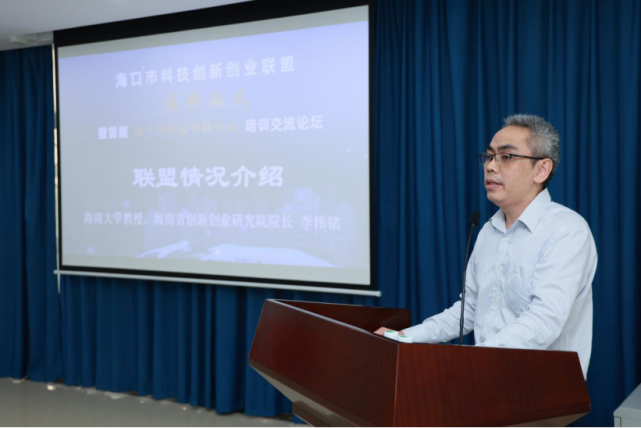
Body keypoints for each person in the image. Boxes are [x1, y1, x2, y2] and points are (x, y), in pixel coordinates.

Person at [375, 114, 597, 378]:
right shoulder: (488, 231)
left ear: (541, 170)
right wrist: (404, 337)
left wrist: (471, 359)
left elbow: (543, 322)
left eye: (506, 157)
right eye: (490, 156)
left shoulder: (566, 230)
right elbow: (468, 310)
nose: (491, 166)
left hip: (542, 387)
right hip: (486, 380)